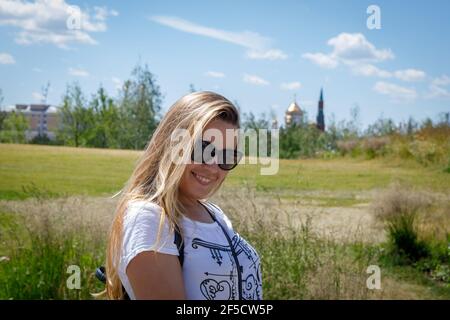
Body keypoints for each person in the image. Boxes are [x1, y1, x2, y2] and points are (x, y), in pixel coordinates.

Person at [104, 91, 263, 300]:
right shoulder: (149, 218)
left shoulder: (215, 214)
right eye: (204, 150)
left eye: (227, 156)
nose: (214, 167)